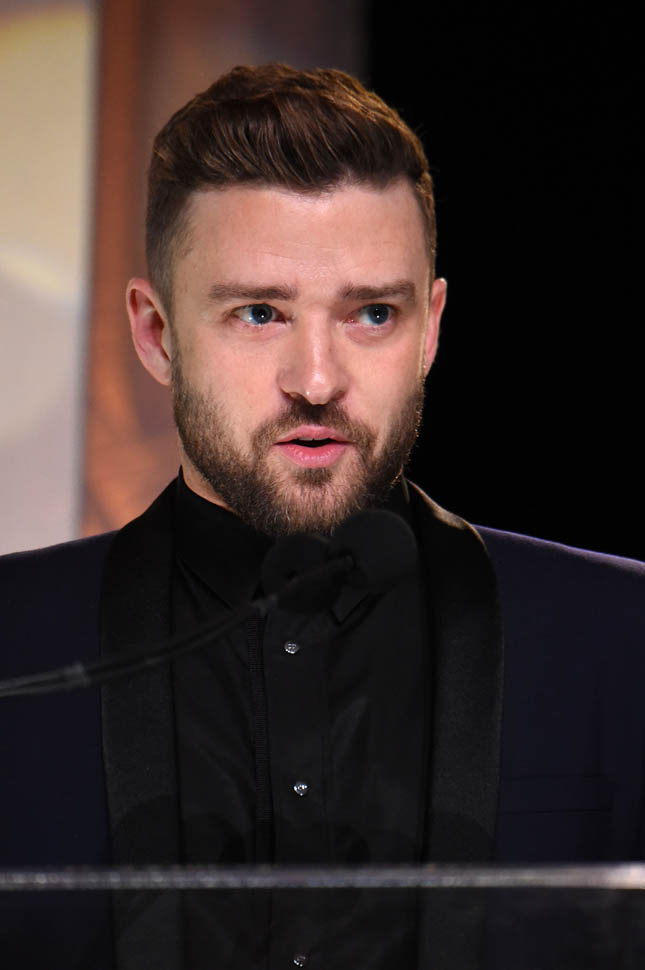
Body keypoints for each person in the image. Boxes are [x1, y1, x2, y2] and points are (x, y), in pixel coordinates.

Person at [1, 63, 644, 970]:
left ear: (430, 328)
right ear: (156, 333)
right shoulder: (14, 649)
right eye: (259, 313)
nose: (315, 380)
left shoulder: (620, 635)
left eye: (371, 314)